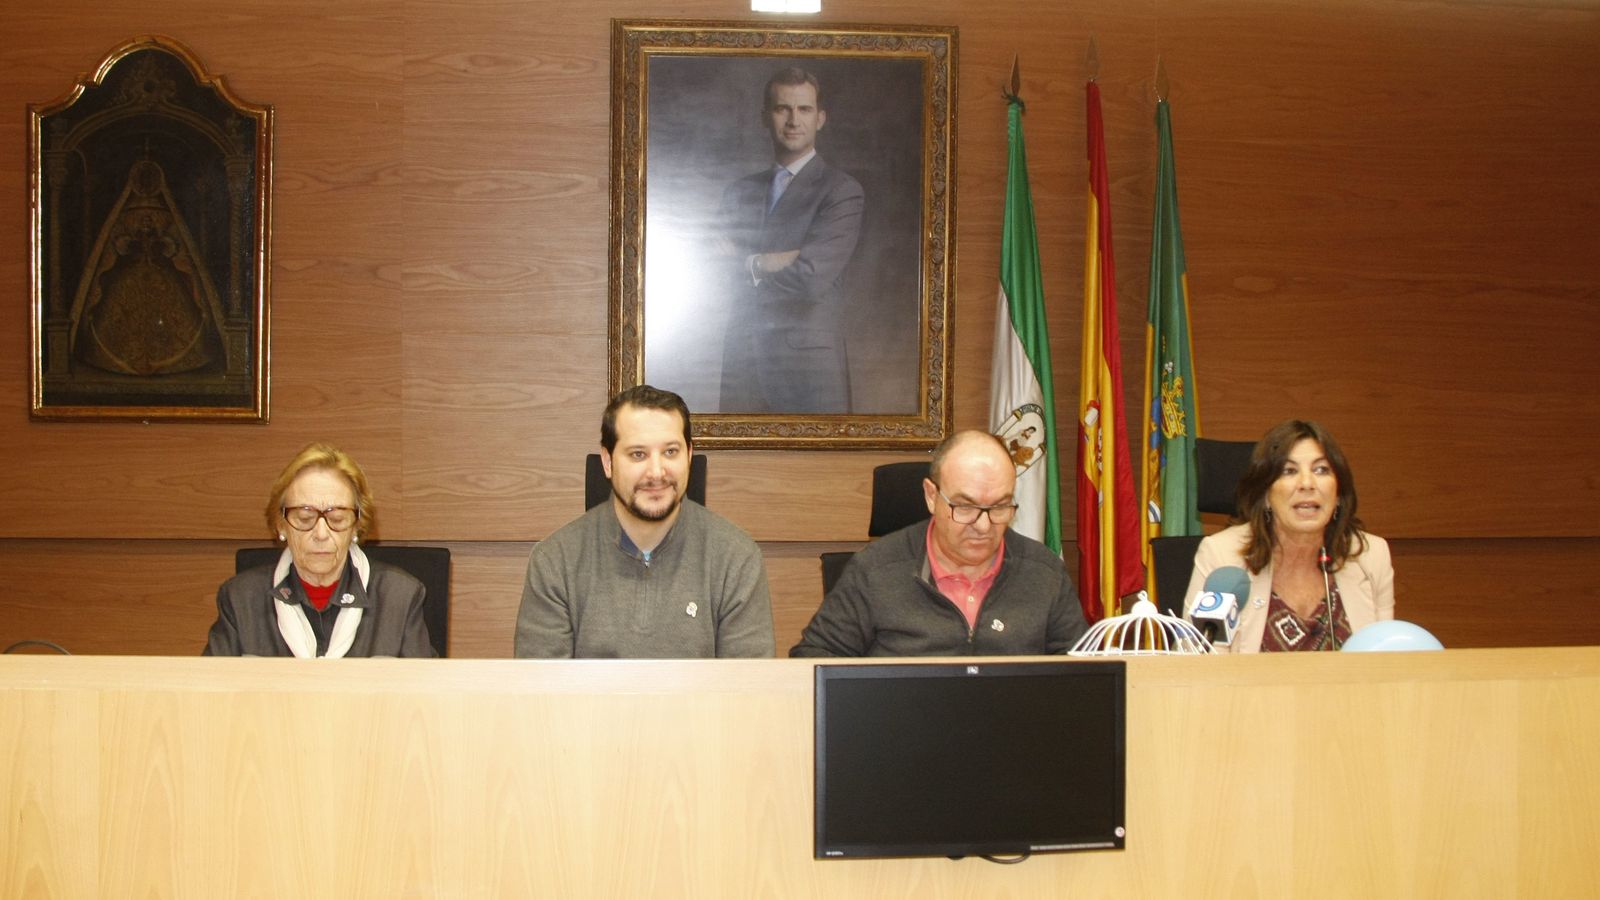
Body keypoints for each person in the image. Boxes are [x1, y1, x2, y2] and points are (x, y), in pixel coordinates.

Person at [515, 385, 775, 658]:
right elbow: (542, 693)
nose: (656, 472)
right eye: (638, 454)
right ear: (608, 462)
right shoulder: (555, 561)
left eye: (670, 452)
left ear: (689, 456)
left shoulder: (736, 558)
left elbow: (748, 690)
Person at [790, 430, 1089, 656]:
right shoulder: (875, 571)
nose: (983, 526)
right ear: (932, 496)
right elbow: (814, 661)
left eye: (1000, 507)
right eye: (966, 507)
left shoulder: (1044, 573)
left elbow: (1083, 678)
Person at [717, 66, 865, 414]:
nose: (793, 120)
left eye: (804, 109)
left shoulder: (841, 191)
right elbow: (715, 275)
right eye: (783, 108)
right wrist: (775, 261)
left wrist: (748, 262)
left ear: (821, 118)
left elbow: (811, 279)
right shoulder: (739, 192)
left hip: (809, 374)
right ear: (765, 117)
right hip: (743, 366)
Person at [203, 443, 434, 657]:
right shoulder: (240, 599)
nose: (321, 534)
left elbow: (426, 698)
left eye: (337, 518)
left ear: (356, 526)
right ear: (281, 524)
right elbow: (208, 694)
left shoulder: (400, 599)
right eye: (305, 518)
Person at [1183, 420, 1395, 652]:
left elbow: (1384, 664)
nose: (1307, 483)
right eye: (1289, 471)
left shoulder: (1370, 556)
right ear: (1265, 495)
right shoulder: (1222, 557)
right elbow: (1196, 662)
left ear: (1338, 495)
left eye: (1321, 470)